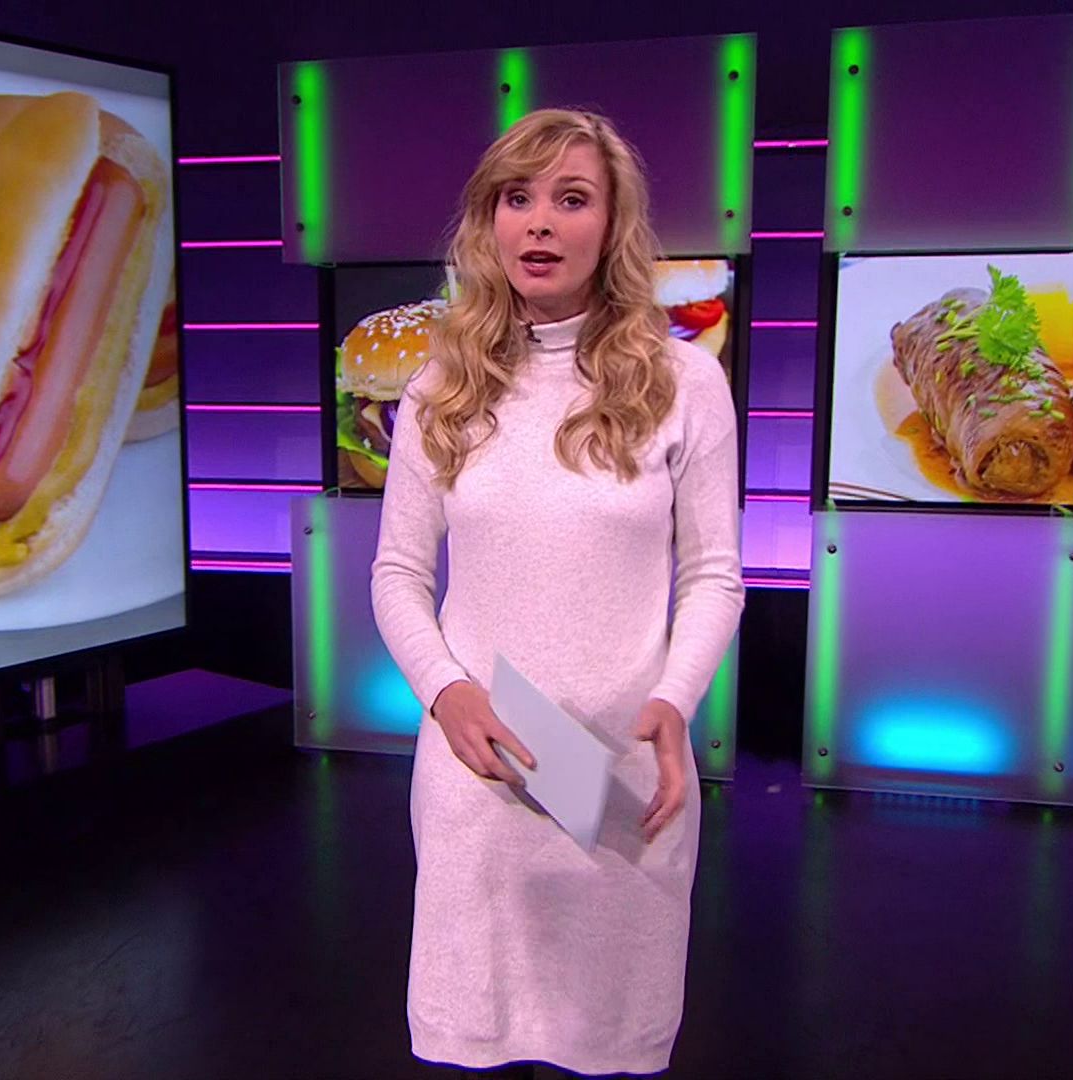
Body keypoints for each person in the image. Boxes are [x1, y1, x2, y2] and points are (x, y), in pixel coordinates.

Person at [370, 109, 745, 1078]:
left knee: (610, 1047)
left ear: (612, 224)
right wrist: (447, 694)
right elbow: (398, 574)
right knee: (474, 1038)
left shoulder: (685, 383)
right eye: (517, 198)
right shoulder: (440, 390)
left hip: (623, 774)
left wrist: (675, 701)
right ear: (489, 222)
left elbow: (714, 574)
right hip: (481, 771)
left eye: (572, 199)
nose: (539, 221)